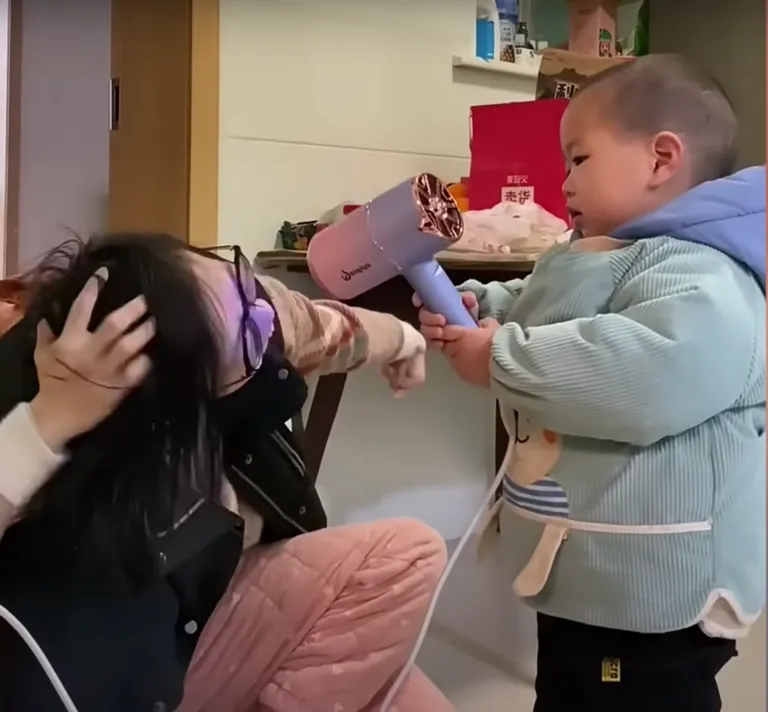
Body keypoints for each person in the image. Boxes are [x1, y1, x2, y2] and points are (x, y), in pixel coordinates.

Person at [417, 54, 766, 712]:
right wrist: (483, 309)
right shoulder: (596, 254)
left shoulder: (705, 274)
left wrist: (499, 358)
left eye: (579, 159)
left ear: (661, 159)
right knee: (569, 689)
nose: (564, 180)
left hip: (651, 591)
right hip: (589, 575)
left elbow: (646, 374)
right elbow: (543, 305)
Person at [0, 233, 454, 712]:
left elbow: (318, 325)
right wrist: (46, 423)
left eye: (244, 284)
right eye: (249, 336)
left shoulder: (229, 310)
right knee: (406, 559)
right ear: (181, 393)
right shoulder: (43, 429)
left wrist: (406, 341)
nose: (263, 315)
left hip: (213, 593)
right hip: (131, 660)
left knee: (405, 682)